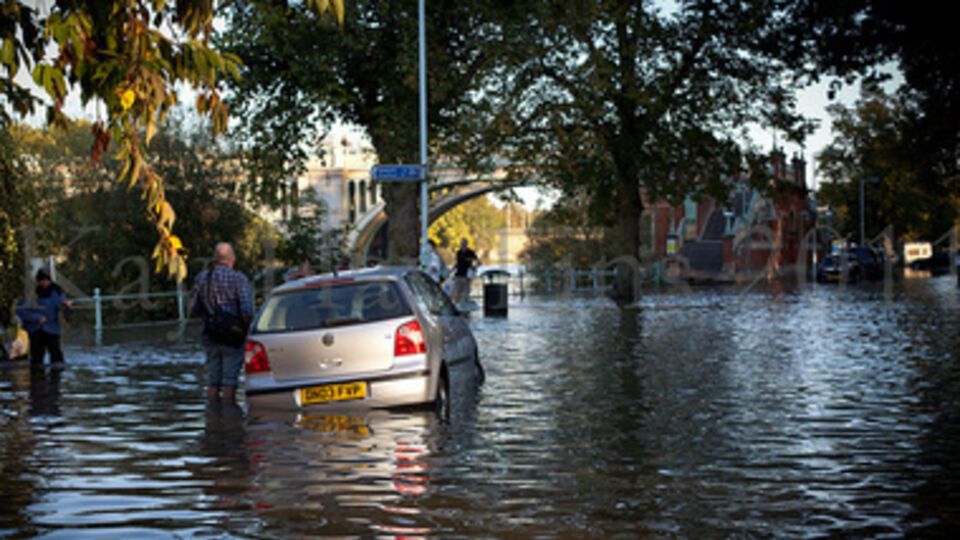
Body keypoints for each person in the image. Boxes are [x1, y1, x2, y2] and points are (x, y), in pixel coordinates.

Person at [190, 243, 254, 403]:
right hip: (233, 338)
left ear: (215, 259)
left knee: (212, 382)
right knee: (230, 382)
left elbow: (192, 308)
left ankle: (212, 418)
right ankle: (229, 419)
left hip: (210, 336)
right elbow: (247, 311)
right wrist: (247, 332)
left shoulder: (201, 278)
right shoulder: (239, 278)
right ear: (232, 258)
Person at [16, 269, 72, 366]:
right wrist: (37, 318)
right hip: (35, 329)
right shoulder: (30, 294)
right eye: (42, 280)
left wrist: (66, 306)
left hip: (52, 328)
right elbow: (21, 311)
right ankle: (37, 378)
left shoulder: (57, 291)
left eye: (47, 280)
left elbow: (63, 306)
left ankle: (56, 379)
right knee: (37, 357)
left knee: (56, 356)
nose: (45, 282)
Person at [452, 239, 479, 304]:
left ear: (467, 244)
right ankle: (456, 304)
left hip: (467, 276)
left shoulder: (470, 252)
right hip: (458, 274)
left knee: (465, 292)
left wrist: (474, 268)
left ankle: (463, 304)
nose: (463, 245)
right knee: (456, 292)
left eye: (464, 243)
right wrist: (452, 269)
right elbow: (458, 263)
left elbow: (477, 261)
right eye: (462, 244)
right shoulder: (458, 252)